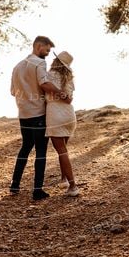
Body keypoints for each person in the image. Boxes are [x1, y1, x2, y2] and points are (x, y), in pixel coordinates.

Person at [9, 36, 71, 201]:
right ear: (38, 46)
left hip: (23, 114)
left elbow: (13, 91)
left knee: (25, 148)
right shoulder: (39, 63)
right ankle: (37, 190)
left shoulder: (17, 66)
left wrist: (26, 98)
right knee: (41, 152)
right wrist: (62, 94)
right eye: (47, 49)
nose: (48, 53)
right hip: (38, 113)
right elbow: (44, 84)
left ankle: (15, 185)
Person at [45, 51, 79, 196]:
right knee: (63, 149)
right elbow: (69, 98)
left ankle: (73, 186)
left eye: (55, 58)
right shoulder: (70, 77)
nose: (52, 60)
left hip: (55, 113)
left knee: (62, 151)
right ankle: (64, 179)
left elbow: (45, 89)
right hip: (69, 115)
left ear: (57, 61)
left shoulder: (50, 74)